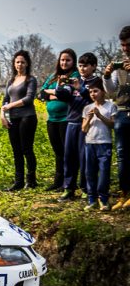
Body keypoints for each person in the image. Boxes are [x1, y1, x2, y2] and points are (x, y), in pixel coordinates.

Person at [56, 53, 98, 200]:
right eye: (80, 65)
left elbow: (94, 98)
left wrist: (81, 89)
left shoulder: (96, 81)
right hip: (71, 122)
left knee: (85, 158)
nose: (82, 68)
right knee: (69, 157)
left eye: (85, 65)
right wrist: (60, 85)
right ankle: (69, 188)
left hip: (87, 124)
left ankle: (86, 188)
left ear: (93, 67)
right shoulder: (76, 80)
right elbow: (64, 96)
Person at [39, 48, 79, 191]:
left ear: (73, 61)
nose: (64, 62)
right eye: (62, 60)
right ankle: (58, 181)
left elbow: (68, 95)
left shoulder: (74, 76)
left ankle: (68, 183)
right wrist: (56, 93)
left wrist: (54, 93)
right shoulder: (53, 76)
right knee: (58, 151)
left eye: (67, 60)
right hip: (52, 119)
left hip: (66, 119)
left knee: (67, 152)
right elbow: (41, 94)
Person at [1, 50, 38, 191]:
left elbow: (29, 98)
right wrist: (2, 115)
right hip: (13, 118)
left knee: (26, 149)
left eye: (22, 62)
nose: (20, 64)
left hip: (27, 117)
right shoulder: (11, 80)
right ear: (14, 64)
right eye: (17, 62)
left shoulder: (31, 79)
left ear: (27, 63)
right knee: (16, 150)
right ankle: (18, 181)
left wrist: (10, 106)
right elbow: (5, 100)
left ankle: (31, 180)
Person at [102, 25, 130, 210]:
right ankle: (124, 194)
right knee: (122, 156)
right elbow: (112, 93)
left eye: (128, 44)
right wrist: (105, 76)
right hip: (121, 112)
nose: (125, 48)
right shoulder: (120, 65)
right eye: (123, 45)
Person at [82, 80, 117, 211]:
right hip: (90, 143)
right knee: (89, 172)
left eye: (95, 91)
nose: (93, 94)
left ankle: (103, 199)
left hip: (104, 143)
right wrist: (90, 118)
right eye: (90, 92)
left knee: (104, 172)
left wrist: (100, 116)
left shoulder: (110, 106)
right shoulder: (87, 108)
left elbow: (113, 125)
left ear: (103, 92)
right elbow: (84, 129)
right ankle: (92, 199)